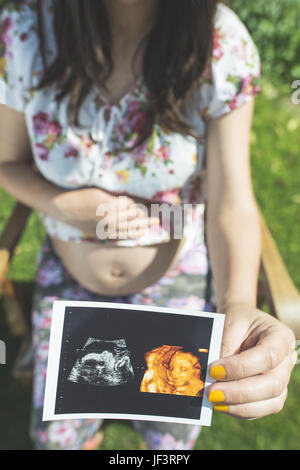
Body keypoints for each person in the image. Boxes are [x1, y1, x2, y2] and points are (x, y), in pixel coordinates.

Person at [0, 0, 296, 451]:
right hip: (70, 290)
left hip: (175, 289)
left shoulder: (221, 43)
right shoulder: (25, 31)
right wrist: (64, 204)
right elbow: (6, 163)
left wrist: (237, 300)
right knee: (56, 441)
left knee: (169, 446)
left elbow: (231, 199)